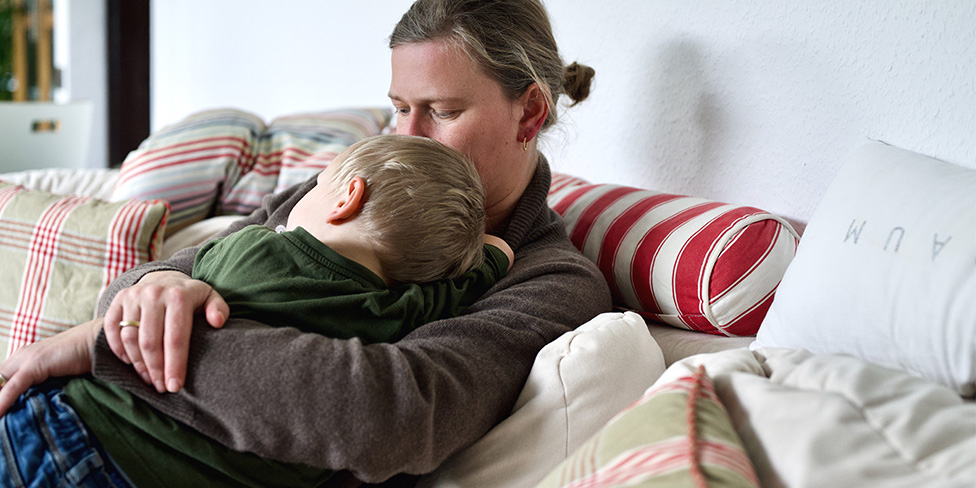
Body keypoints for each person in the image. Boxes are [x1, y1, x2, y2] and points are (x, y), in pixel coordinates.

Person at [0, 0, 612, 486]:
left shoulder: (547, 281)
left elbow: (392, 413)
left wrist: (110, 344)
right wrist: (153, 288)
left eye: (441, 111)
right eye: (399, 107)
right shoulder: (349, 190)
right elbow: (158, 279)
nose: (409, 136)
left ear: (529, 114)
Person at [190, 133, 514, 344]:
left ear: (347, 200)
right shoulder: (395, 311)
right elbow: (499, 252)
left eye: (317, 184)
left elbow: (193, 271)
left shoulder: (250, 248)